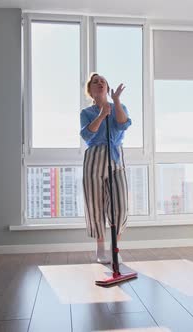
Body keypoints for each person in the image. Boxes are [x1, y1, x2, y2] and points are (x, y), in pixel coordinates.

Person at [80, 73, 132, 263]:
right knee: (95, 204)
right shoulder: (86, 113)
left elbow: (123, 124)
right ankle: (101, 248)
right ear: (91, 91)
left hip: (115, 157)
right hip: (94, 158)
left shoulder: (119, 106)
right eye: (96, 82)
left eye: (103, 81)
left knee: (120, 206)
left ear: (107, 88)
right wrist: (102, 115)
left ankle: (114, 247)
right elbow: (87, 135)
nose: (100, 83)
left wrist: (116, 101)